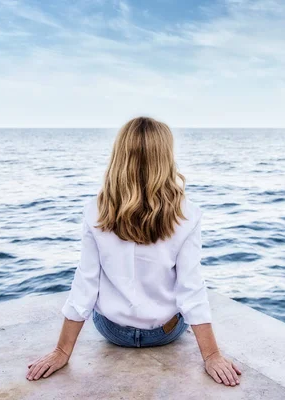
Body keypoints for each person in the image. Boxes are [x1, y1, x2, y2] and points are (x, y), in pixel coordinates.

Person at [26, 117, 242, 387]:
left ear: (119, 156)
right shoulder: (188, 213)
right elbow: (191, 288)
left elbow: (85, 283)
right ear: (166, 157)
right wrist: (211, 355)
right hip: (163, 334)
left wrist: (62, 351)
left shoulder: (95, 210)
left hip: (113, 332)